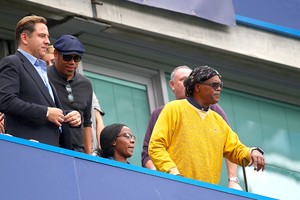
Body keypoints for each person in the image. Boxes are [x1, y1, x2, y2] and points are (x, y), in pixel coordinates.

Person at [148, 66, 265, 185]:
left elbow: (236, 149)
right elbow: (156, 146)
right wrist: (173, 173)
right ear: (198, 87)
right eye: (214, 85)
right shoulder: (173, 109)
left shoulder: (218, 120)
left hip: (206, 193)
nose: (219, 88)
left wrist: (252, 152)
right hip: (175, 188)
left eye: (220, 85)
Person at [0, 15, 81, 148]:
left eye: (47, 36)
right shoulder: (12, 62)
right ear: (25, 38)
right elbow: (5, 100)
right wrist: (46, 113)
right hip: (28, 149)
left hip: (53, 150)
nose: (47, 41)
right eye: (42, 36)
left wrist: (69, 115)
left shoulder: (41, 69)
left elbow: (47, 107)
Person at [48, 34, 93, 154]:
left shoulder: (86, 84)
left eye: (77, 58)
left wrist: (89, 156)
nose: (72, 62)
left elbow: (87, 122)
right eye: (67, 57)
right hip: (52, 146)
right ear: (56, 54)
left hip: (78, 151)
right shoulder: (43, 76)